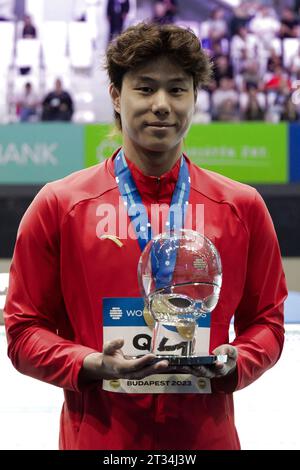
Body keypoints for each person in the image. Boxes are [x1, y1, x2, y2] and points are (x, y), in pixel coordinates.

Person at [4, 23, 287, 450]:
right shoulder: (60, 206)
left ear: (195, 97)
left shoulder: (241, 208)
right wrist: (91, 363)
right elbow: (24, 330)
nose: (161, 105)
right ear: (117, 95)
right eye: (145, 88)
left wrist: (238, 360)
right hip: (99, 443)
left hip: (204, 442)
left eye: (177, 89)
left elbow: (267, 322)